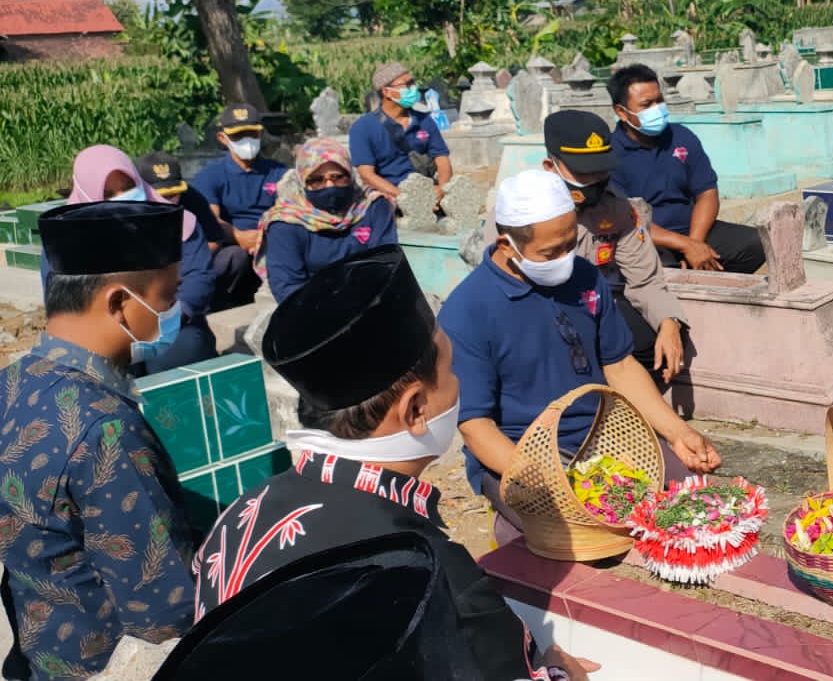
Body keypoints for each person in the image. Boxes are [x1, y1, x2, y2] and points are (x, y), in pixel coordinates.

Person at [193, 245, 593, 681]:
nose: (459, 384)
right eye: (451, 370)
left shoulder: (238, 516)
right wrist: (561, 674)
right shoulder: (422, 570)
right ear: (416, 409)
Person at [440, 169, 721, 546]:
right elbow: (476, 426)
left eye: (570, 244)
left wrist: (677, 432)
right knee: (579, 535)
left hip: (604, 438)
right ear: (506, 245)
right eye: (549, 253)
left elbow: (620, 366)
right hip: (521, 453)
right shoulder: (468, 311)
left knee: (694, 507)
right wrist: (546, 482)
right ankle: (515, 534)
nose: (565, 259)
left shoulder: (586, 277)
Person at [1, 201, 199, 679]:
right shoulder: (105, 428)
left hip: (43, 652)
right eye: (168, 296)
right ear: (119, 303)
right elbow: (165, 611)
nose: (175, 311)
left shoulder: (13, 381)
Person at [543, 109, 688, 384]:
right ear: (551, 167)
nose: (595, 180)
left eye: (601, 169)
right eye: (584, 172)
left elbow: (644, 279)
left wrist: (669, 321)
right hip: (544, 316)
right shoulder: (522, 215)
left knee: (651, 338)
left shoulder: (617, 207)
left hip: (596, 304)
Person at [59, 145, 218, 372]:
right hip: (105, 332)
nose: (122, 198)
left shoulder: (181, 223)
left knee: (178, 355)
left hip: (174, 324)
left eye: (128, 187)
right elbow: (64, 303)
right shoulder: (65, 241)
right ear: (87, 196)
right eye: (108, 194)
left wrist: (173, 318)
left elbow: (199, 276)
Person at [607, 63, 765, 274]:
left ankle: (712, 285)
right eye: (646, 105)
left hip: (693, 229)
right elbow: (625, 219)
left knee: (756, 244)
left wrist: (695, 242)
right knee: (654, 269)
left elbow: (707, 192)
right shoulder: (610, 155)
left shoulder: (681, 136)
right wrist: (684, 245)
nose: (656, 109)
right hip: (645, 238)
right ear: (621, 112)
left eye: (659, 101)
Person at [256, 138, 399, 301]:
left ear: (350, 175)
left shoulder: (372, 206)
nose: (330, 185)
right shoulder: (286, 222)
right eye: (317, 180)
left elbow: (386, 262)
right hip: (313, 306)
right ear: (303, 181)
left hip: (372, 298)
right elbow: (287, 286)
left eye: (338, 177)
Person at [189, 103, 287, 309]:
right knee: (234, 258)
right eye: (238, 135)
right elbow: (211, 220)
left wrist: (265, 238)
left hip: (273, 240)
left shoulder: (280, 172)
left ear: (261, 134)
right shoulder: (210, 176)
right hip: (232, 245)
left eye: (252, 133)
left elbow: (291, 209)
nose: (246, 140)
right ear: (222, 138)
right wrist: (239, 236)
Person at [349, 62, 454, 205]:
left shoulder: (424, 120)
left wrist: (441, 189)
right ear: (386, 92)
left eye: (412, 82)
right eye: (406, 85)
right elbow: (367, 176)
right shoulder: (363, 127)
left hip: (426, 189)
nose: (413, 88)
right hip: (389, 195)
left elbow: (442, 158)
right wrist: (407, 198)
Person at [135, 151, 227, 250]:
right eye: (161, 196)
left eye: (173, 194)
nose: (168, 201)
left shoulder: (192, 197)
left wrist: (194, 257)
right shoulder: (130, 206)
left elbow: (214, 239)